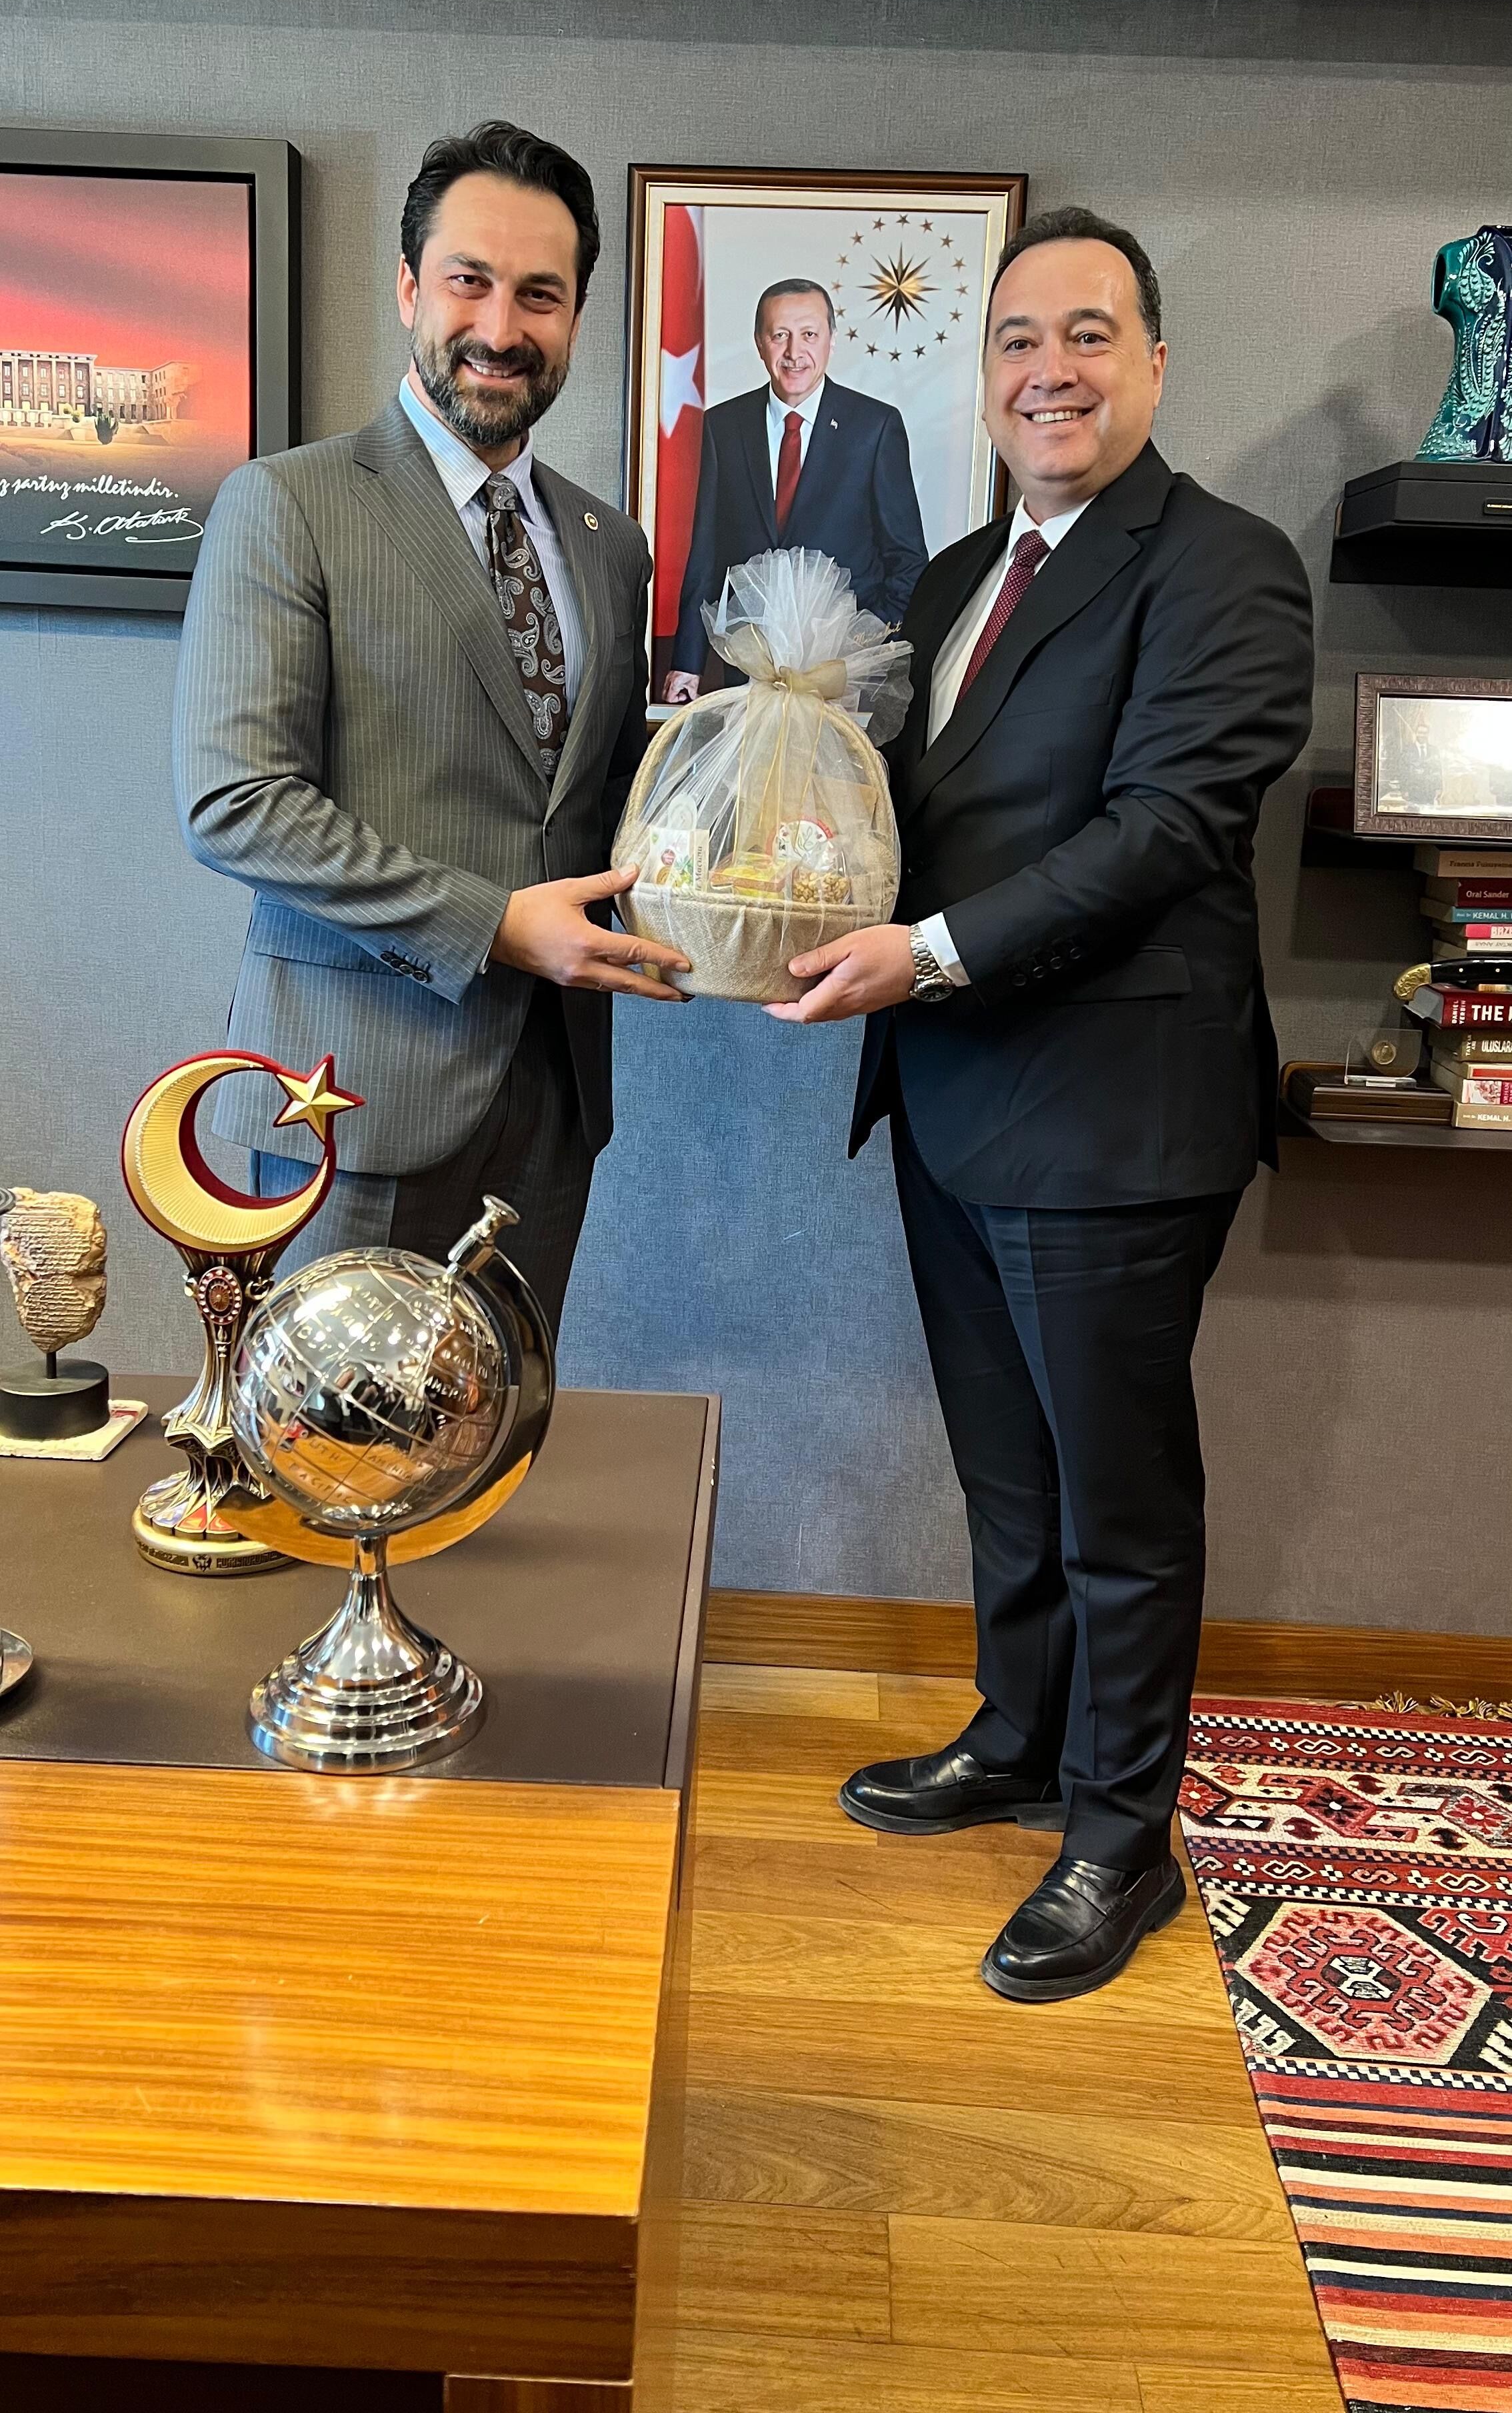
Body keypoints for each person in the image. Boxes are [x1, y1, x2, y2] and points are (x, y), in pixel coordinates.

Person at [767, 207, 1313, 2003]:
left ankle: (1118, 1837)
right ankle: (1017, 1739)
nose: (1049, 370)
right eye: (1017, 339)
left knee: (1116, 1504)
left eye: (1088, 334)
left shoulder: (1222, 567)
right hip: (949, 1100)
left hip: (1113, 1117)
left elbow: (1165, 829)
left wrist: (919, 953)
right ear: (982, 373)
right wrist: (764, 850)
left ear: (1153, 363)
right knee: (1008, 1473)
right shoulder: (947, 581)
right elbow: (898, 818)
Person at [173, 119, 689, 1332]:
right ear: (409, 287)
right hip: (349, 1097)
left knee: (503, 1426)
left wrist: (757, 824)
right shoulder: (287, 504)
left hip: (552, 1101)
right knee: (325, 1434)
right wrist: (493, 926)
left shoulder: (610, 546)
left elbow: (607, 799)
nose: (501, 327)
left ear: (576, 316)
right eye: (469, 280)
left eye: (540, 295)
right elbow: (236, 802)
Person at [661, 277, 927, 701]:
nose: (794, 352)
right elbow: (706, 555)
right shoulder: (723, 426)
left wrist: (861, 646)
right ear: (759, 343)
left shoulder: (875, 428)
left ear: (832, 340)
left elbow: (908, 560)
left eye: (809, 335)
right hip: (748, 671)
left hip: (842, 676)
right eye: (779, 335)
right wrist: (688, 663)